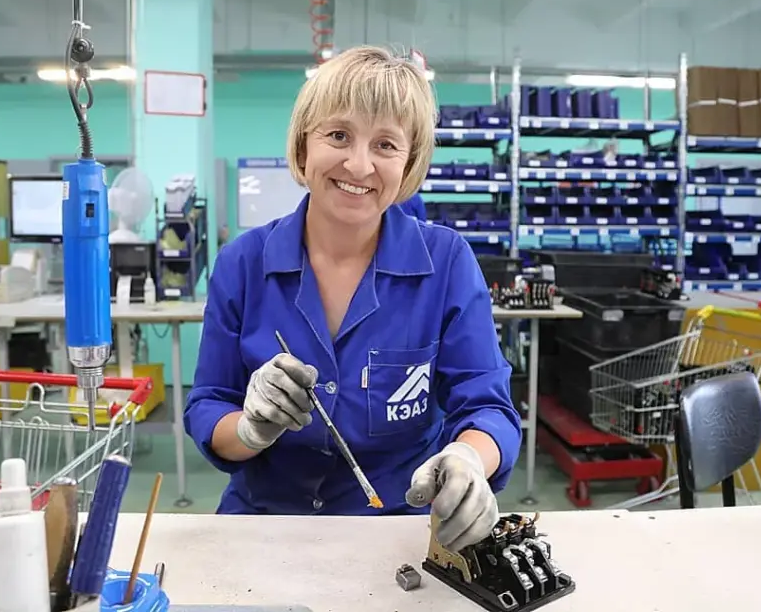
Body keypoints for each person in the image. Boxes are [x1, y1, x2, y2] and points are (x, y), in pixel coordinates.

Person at [184, 45, 522, 553]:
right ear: (303, 147)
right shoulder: (243, 263)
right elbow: (209, 405)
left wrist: (469, 459)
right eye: (339, 135)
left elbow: (487, 405)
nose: (359, 164)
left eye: (385, 144)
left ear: (408, 165)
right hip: (263, 525)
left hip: (396, 530)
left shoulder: (447, 263)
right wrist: (250, 429)